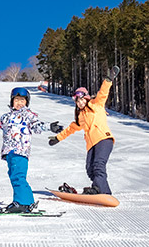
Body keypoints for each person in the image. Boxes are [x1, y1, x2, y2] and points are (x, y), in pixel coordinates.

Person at [0, 87, 60, 213]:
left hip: (21, 151)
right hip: (9, 152)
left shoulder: (28, 116)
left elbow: (37, 126)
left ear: (27, 102)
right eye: (16, 100)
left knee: (18, 176)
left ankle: (21, 202)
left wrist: (50, 127)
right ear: (12, 101)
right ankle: (27, 202)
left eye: (22, 100)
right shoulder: (6, 117)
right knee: (15, 176)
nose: (19, 103)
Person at [48, 65, 120, 195]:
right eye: (77, 102)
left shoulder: (96, 104)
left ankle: (101, 190)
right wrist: (58, 138)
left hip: (104, 139)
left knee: (98, 165)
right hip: (91, 144)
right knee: (90, 169)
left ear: (86, 98)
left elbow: (103, 92)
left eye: (81, 100)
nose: (80, 104)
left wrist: (109, 79)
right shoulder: (80, 116)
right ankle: (100, 189)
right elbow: (71, 129)